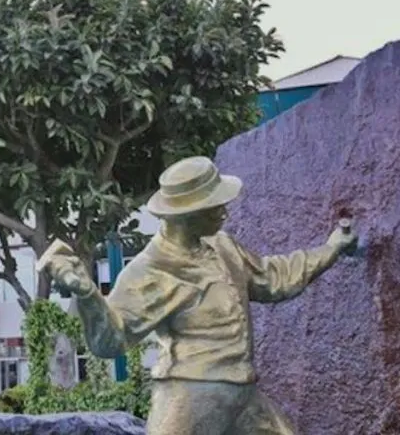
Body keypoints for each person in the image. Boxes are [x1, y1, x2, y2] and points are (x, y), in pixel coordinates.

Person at [41, 156, 359, 435]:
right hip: (190, 399)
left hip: (242, 395)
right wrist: (88, 295)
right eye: (215, 207)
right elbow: (111, 341)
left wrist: (331, 249)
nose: (224, 212)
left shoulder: (223, 246)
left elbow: (272, 278)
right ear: (187, 214)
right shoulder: (149, 271)